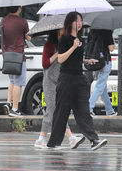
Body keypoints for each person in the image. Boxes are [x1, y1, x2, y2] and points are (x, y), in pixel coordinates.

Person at [46, 11, 108, 151]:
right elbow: (61, 59)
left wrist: (86, 60)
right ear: (70, 23)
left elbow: (75, 59)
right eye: (76, 21)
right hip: (66, 79)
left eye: (81, 20)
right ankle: (53, 142)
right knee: (62, 111)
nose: (79, 23)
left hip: (79, 78)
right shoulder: (65, 39)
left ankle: (94, 140)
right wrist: (73, 46)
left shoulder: (80, 39)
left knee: (83, 111)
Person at [34, 28, 79, 149]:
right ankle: (70, 138)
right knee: (53, 110)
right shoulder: (49, 45)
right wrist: (56, 54)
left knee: (59, 111)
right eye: (63, 29)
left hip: (61, 81)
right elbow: (45, 64)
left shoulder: (66, 44)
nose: (65, 31)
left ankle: (42, 138)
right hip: (49, 82)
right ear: (57, 32)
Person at [1, 6, 30, 116]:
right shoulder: (22, 22)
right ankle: (15, 108)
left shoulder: (4, 20)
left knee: (12, 81)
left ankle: (8, 103)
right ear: (18, 8)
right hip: (19, 56)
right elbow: (29, 38)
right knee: (19, 83)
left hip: (8, 55)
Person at [87, 28, 117, 116]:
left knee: (103, 87)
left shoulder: (92, 31)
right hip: (105, 61)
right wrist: (113, 41)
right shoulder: (107, 31)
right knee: (100, 86)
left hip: (95, 61)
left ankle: (110, 110)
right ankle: (88, 108)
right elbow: (111, 48)